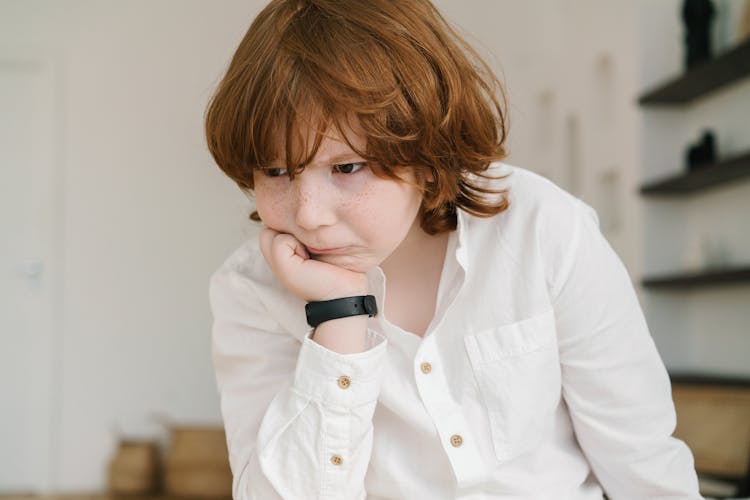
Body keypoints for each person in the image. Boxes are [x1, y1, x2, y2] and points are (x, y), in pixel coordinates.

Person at [204, 1, 702, 498]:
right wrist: (337, 317)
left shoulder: (541, 226)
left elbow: (643, 462)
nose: (309, 213)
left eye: (347, 167)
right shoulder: (251, 290)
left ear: (424, 151)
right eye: (275, 172)